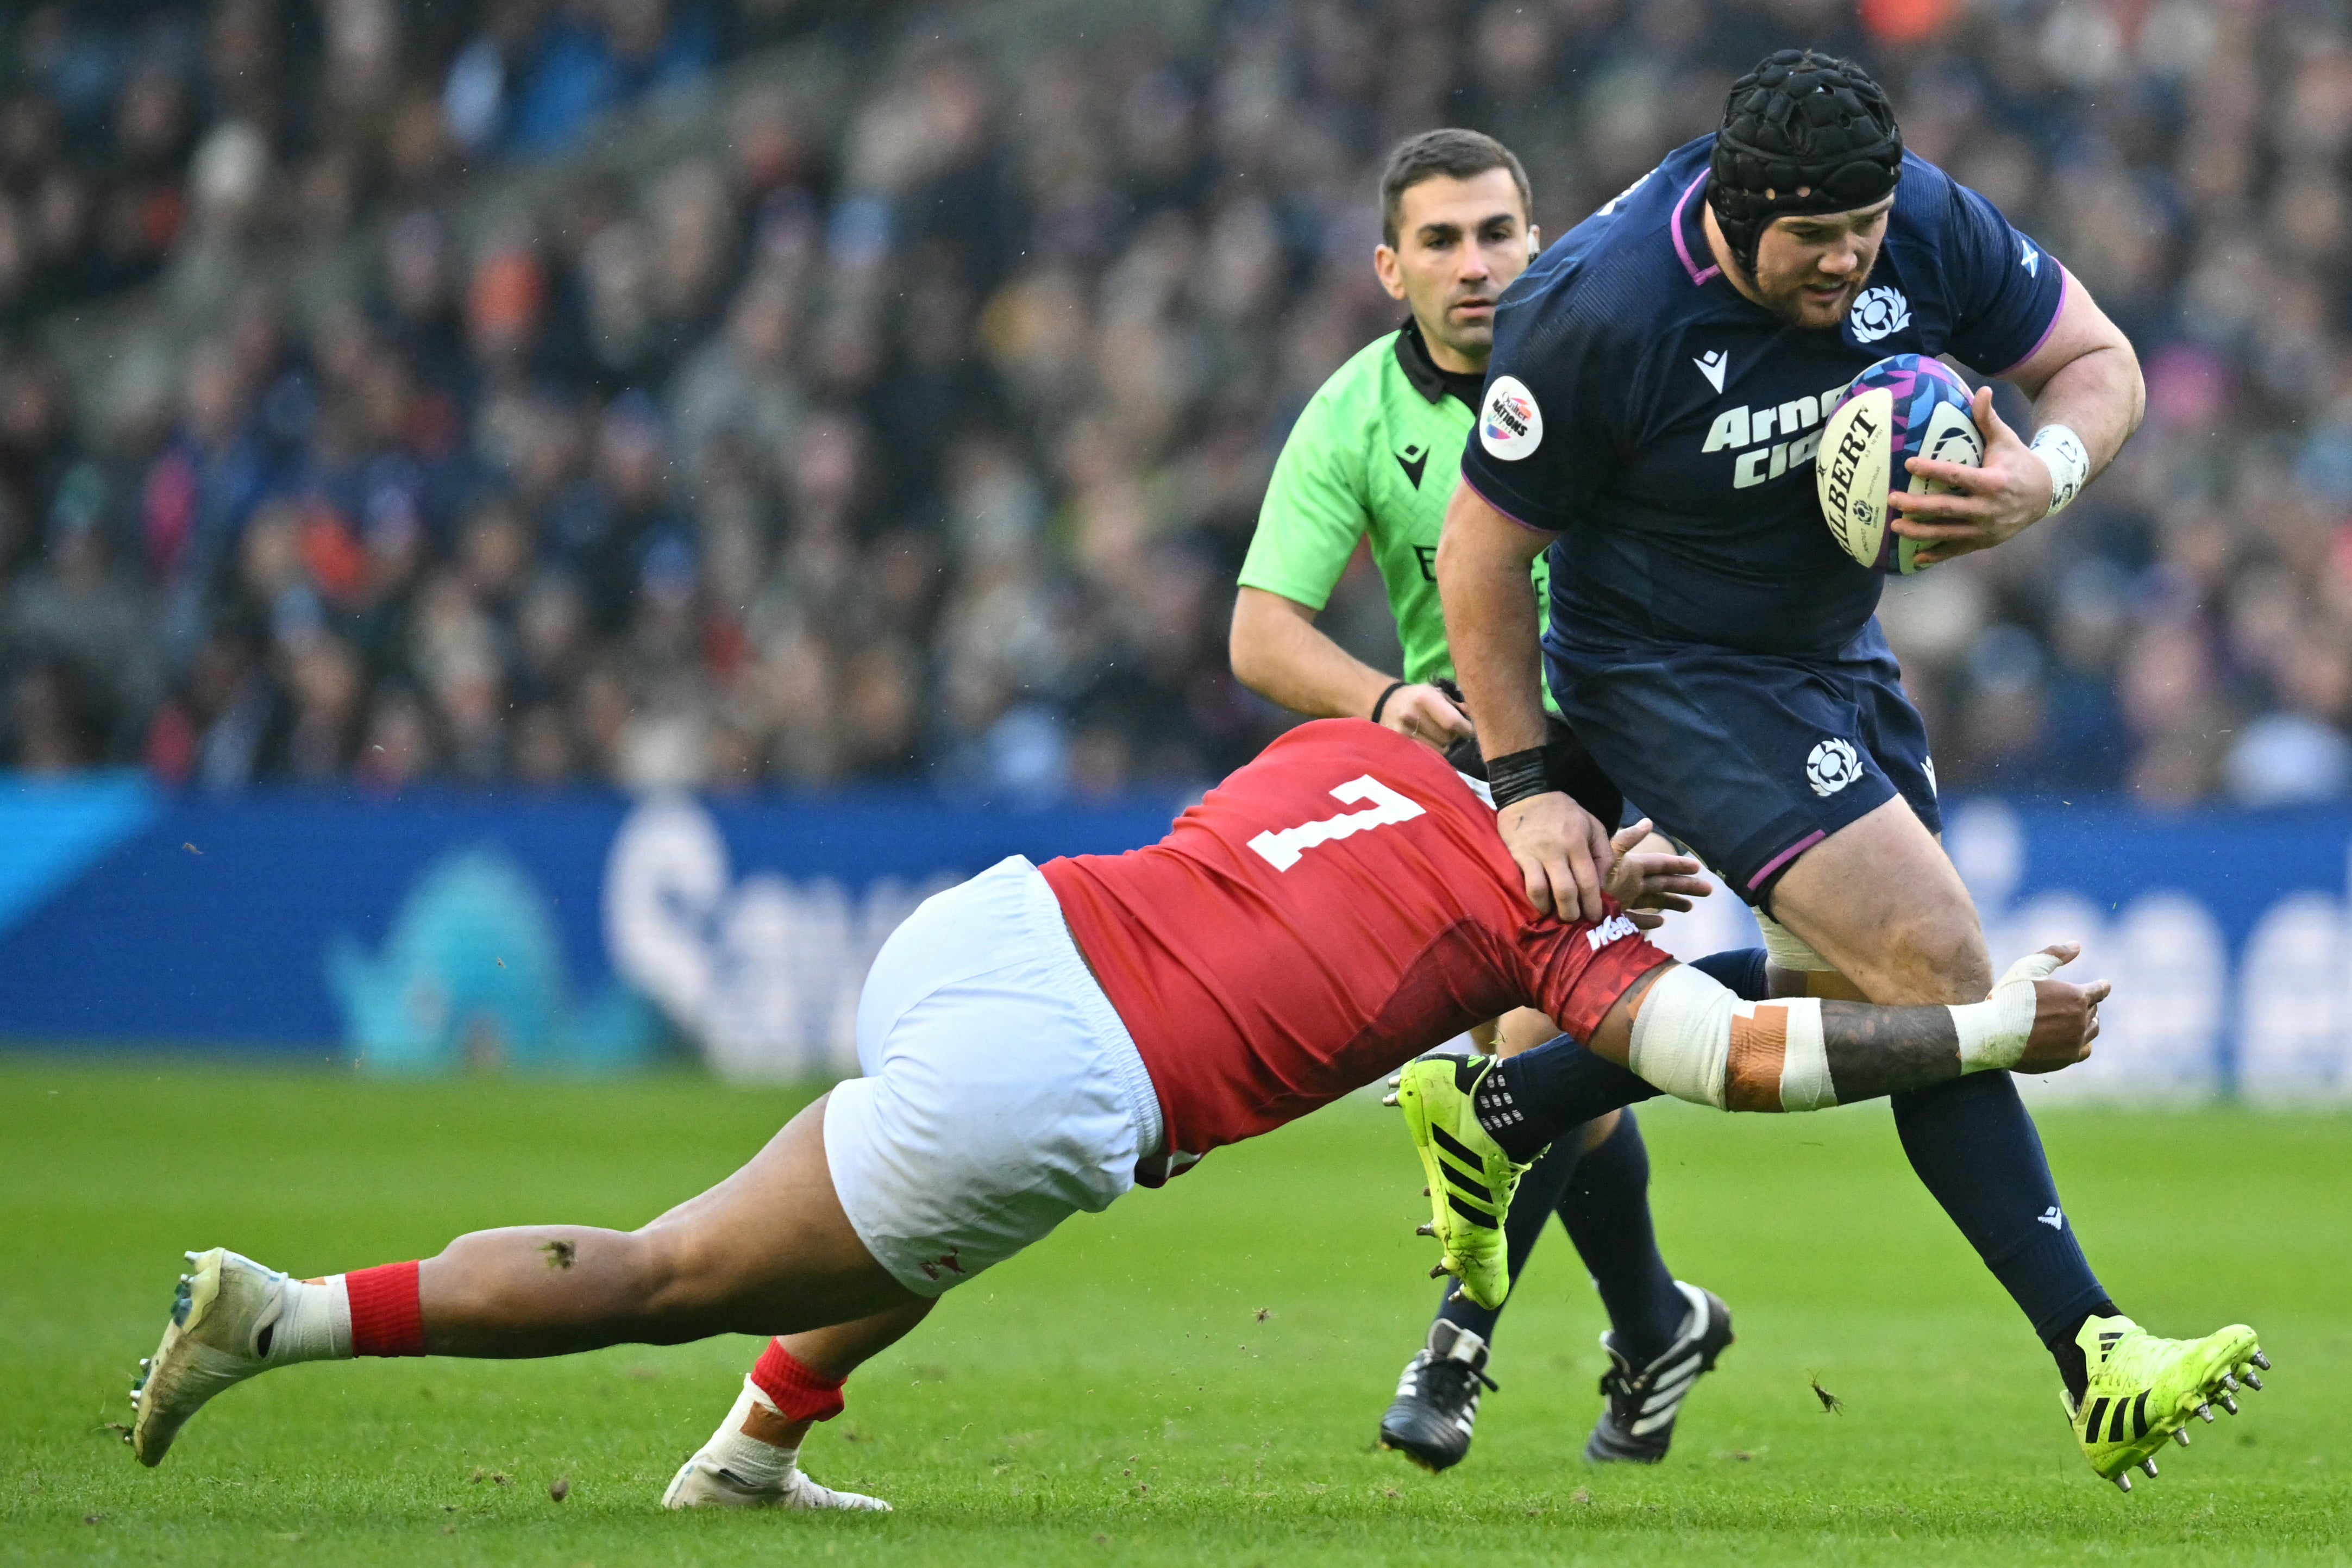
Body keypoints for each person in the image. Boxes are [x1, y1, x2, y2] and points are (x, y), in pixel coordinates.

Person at [126, 719, 2123, 1513]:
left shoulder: (1375, 750)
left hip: (1002, 923)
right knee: (670, 1266)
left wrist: (1582, 866)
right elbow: (1740, 1060)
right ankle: (288, 1312)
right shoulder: (1547, 924)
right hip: (1071, 1069)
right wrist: (1978, 1026)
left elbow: (1420, 853)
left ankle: (753, 1457)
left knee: (928, 1221)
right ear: (1603, 813)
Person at [1431, 48, 2211, 1488]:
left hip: (1826, 654)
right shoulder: (1605, 302)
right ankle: (2098, 1348)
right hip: (1663, 662)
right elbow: (1480, 553)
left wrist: (2044, 473)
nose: (1849, 262)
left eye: (1864, 232)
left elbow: (2097, 361)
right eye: (1815, 241)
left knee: (1888, 996)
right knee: (1939, 960)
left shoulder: (1916, 220)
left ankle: (1511, 1107)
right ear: (1734, 213)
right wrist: (1525, 780)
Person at [1229, 127, 1755, 1470]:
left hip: (1632, 742)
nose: (1475, 266)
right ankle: (1654, 1323)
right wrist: (1373, 698)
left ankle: (1457, 1345)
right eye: (1442, 242)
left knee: (1529, 1046)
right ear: (1387, 267)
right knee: (1550, 1069)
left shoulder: (1606, 361)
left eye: (1498, 234)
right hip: (1469, 774)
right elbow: (1258, 630)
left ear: (1542, 239)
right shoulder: (1352, 410)